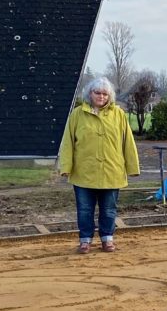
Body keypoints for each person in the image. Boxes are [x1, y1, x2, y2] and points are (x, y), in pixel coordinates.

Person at [58, 77, 140, 254]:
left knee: (109, 209)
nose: (101, 96)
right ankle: (85, 240)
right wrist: (65, 166)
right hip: (83, 173)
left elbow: (128, 142)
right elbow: (68, 142)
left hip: (112, 171)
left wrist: (132, 167)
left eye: (105, 93)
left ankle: (107, 239)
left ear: (109, 96)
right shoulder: (77, 114)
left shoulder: (118, 114)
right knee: (84, 209)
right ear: (90, 93)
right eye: (98, 93)